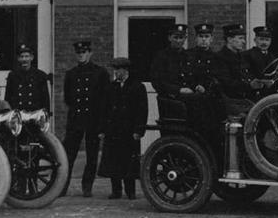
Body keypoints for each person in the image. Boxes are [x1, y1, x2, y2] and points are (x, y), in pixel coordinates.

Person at [60, 40, 109, 198]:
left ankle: (87, 187)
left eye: (84, 52)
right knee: (68, 155)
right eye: (79, 53)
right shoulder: (71, 74)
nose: (81, 55)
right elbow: (68, 98)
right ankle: (63, 187)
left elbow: (104, 100)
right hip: (75, 120)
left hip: (93, 120)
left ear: (90, 53)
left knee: (92, 155)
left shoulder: (100, 73)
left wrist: (102, 124)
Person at [98, 57, 148, 200]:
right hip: (113, 130)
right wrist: (102, 129)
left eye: (118, 70)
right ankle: (116, 190)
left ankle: (130, 191)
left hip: (129, 131)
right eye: (114, 70)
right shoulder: (111, 87)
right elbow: (104, 109)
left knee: (129, 161)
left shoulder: (137, 87)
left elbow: (142, 111)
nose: (115, 73)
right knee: (113, 160)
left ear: (125, 70)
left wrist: (139, 130)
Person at [212, 24, 260, 118]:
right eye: (240, 38)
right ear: (229, 39)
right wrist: (249, 85)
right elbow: (226, 83)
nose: (244, 42)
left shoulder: (242, 57)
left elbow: (248, 75)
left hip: (246, 99)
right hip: (231, 101)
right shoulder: (220, 57)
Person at [4, 43, 50, 113]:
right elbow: (8, 99)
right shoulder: (12, 76)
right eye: (22, 57)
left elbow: (45, 100)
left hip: (34, 115)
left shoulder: (40, 75)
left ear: (32, 58)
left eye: (27, 56)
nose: (24, 59)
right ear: (18, 59)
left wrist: (45, 116)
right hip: (18, 116)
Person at [149, 24, 188, 98]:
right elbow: (157, 81)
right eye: (175, 37)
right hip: (167, 98)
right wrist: (178, 90)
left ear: (185, 39)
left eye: (181, 38)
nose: (178, 41)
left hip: (186, 98)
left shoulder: (188, 56)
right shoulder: (161, 56)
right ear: (169, 38)